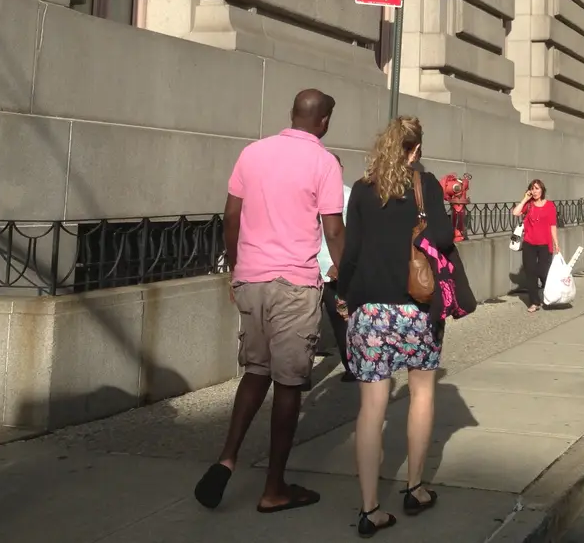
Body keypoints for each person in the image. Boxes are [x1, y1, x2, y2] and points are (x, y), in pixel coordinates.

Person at [194, 89, 344, 514]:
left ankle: (227, 457)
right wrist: (343, 273)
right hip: (293, 283)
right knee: (290, 383)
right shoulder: (324, 162)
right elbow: (333, 229)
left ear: (292, 114)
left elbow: (230, 217)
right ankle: (274, 487)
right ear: (325, 121)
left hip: (251, 280)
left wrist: (235, 268)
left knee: (256, 371)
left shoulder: (253, 153)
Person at [339, 117, 453, 536]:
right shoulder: (425, 186)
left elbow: (350, 253)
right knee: (422, 392)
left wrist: (345, 296)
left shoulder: (364, 190)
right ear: (415, 150)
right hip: (415, 308)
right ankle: (415, 488)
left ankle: (369, 509)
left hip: (369, 310)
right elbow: (443, 237)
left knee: (372, 408)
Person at [317, 154, 353, 382]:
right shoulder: (311, 193)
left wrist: (340, 264)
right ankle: (300, 376)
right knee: (304, 327)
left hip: (333, 268)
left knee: (342, 321)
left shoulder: (348, 195)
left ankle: (352, 367)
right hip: (307, 268)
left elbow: (352, 233)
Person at [511, 179, 558, 313]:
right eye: (532, 188)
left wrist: (556, 243)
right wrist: (525, 199)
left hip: (545, 244)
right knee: (530, 273)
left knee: (542, 271)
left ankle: (548, 290)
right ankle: (534, 302)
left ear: (542, 190)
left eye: (537, 188)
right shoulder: (529, 205)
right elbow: (515, 213)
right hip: (529, 244)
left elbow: (552, 225)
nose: (534, 191)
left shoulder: (549, 205)